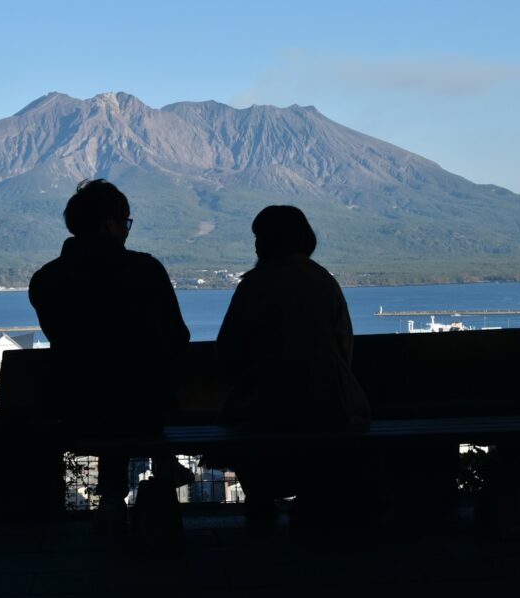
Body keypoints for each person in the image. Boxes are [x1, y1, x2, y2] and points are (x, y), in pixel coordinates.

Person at [29, 179, 192, 533]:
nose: (127, 232)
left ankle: (114, 499)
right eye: (125, 223)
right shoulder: (146, 270)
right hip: (145, 406)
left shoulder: (46, 280)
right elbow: (178, 338)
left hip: (74, 406)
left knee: (103, 386)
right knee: (131, 382)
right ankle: (159, 472)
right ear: (109, 224)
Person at [216, 205, 371, 527]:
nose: (256, 245)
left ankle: (260, 503)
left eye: (259, 238)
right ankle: (313, 502)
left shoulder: (255, 284)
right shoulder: (323, 282)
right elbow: (344, 349)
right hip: (326, 406)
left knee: (242, 418)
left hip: (263, 410)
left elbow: (229, 351)